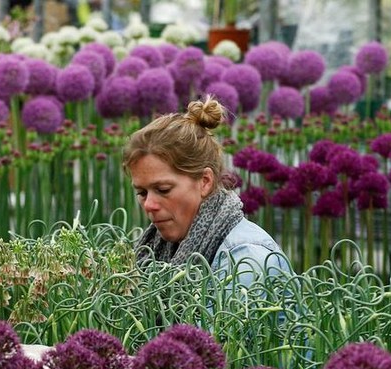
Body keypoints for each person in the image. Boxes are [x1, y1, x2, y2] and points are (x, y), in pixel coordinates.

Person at [123, 96, 289, 281]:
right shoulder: (157, 249)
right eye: (142, 193)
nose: (149, 205)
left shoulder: (246, 261)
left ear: (205, 181)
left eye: (163, 189)